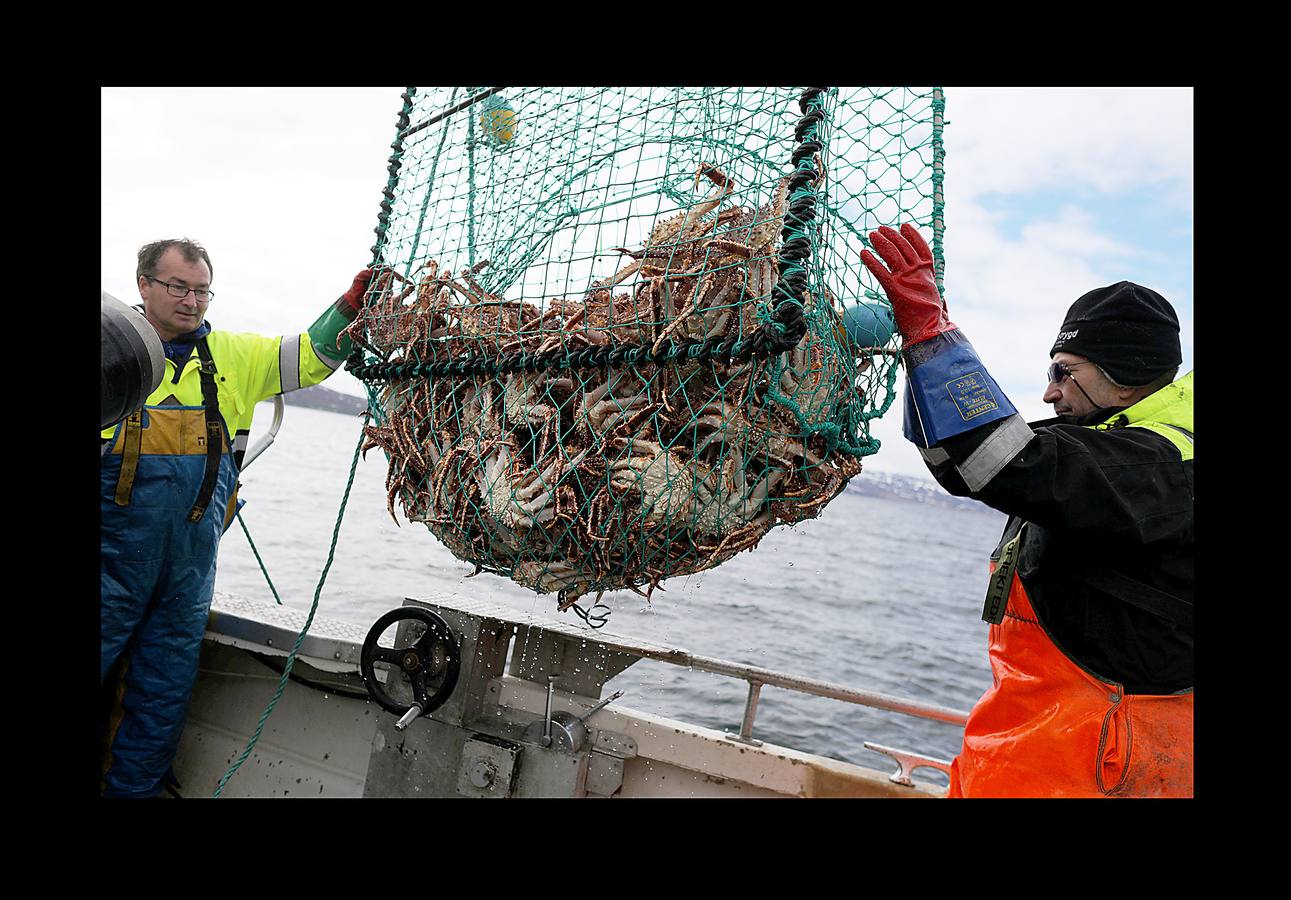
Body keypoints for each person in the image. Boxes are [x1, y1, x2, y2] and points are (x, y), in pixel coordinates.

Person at [860, 224, 1192, 798]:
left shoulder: (1164, 462)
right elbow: (966, 465)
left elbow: (1011, 462)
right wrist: (921, 353)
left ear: (1127, 382)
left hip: (1098, 762)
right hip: (1030, 744)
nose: (1049, 392)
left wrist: (933, 333)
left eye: (1066, 372)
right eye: (1048, 372)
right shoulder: (1104, 445)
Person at [100, 238, 375, 798]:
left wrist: (350, 307)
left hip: (186, 578)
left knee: (160, 703)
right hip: (108, 568)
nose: (192, 301)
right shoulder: (108, 352)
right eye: (178, 287)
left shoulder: (236, 357)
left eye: (202, 291)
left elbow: (311, 356)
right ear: (144, 285)